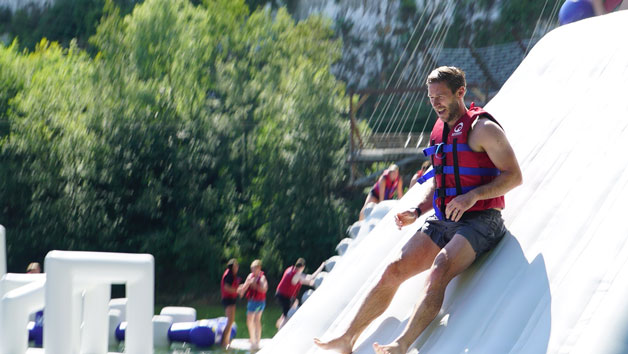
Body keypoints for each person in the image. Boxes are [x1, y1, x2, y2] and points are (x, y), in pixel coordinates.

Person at [314, 66, 522, 354]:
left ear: (460, 93)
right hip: (445, 217)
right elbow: (441, 179)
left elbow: (514, 175)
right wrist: (418, 209)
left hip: (482, 221)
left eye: (441, 96)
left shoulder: (483, 129)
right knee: (394, 268)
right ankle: (347, 337)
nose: (434, 102)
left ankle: (401, 345)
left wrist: (473, 196)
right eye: (430, 96)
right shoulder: (439, 133)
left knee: (439, 269)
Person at [275, 258, 326, 329]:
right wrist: (322, 266)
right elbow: (311, 277)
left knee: (295, 303)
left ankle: (280, 321)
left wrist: (311, 283)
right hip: (284, 296)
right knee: (287, 315)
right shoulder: (297, 275)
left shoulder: (290, 269)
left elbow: (298, 280)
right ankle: (280, 330)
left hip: (279, 293)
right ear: (302, 267)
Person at [238, 259, 268, 351]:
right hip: (251, 301)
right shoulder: (250, 276)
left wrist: (255, 286)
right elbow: (245, 286)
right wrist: (241, 291)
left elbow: (264, 289)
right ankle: (252, 339)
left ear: (259, 268)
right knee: (249, 320)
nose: (253, 271)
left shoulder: (262, 278)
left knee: (256, 319)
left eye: (254, 269)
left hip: (260, 302)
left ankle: (257, 340)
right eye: (252, 269)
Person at [220, 258, 240, 348]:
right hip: (227, 299)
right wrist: (237, 290)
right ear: (232, 266)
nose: (237, 268)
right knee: (229, 321)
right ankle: (223, 342)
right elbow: (226, 287)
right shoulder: (229, 275)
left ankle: (226, 341)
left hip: (231, 299)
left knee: (231, 321)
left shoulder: (232, 274)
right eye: (236, 266)